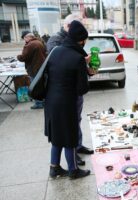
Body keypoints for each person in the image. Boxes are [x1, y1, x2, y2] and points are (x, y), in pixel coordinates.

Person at [45, 20, 92, 179]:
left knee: (57, 136)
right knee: (70, 137)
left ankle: (54, 167)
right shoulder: (78, 57)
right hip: (67, 103)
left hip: (51, 100)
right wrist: (86, 70)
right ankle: (73, 170)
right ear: (81, 40)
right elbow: (82, 89)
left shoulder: (56, 51)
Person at [17, 31, 46, 109]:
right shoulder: (39, 42)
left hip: (34, 68)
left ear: (27, 37)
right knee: (40, 85)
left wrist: (18, 56)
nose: (24, 40)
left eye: (24, 38)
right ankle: (42, 101)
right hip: (40, 67)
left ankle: (39, 103)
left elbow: (23, 57)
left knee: (35, 87)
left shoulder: (30, 45)